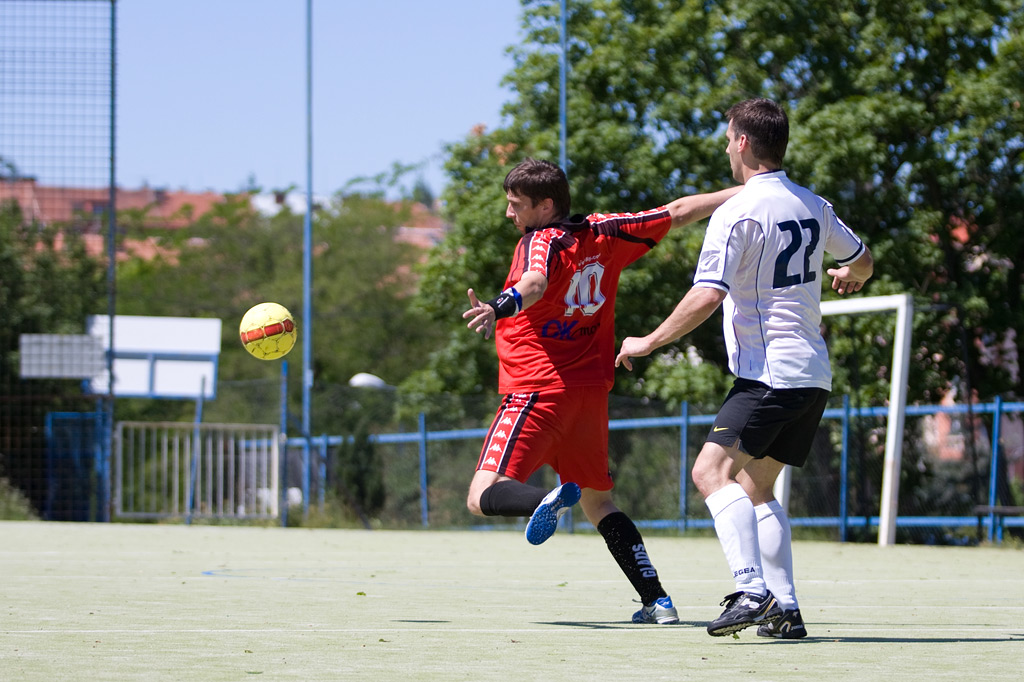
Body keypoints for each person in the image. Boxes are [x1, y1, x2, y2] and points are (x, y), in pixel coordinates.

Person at [615, 98, 874, 638]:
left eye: (728, 139)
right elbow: (863, 260)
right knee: (757, 489)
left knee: (709, 473)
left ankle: (752, 590)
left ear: (742, 142)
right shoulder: (813, 204)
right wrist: (851, 274)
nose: (726, 149)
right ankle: (787, 611)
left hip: (768, 374)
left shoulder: (736, 212)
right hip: (812, 375)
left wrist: (648, 341)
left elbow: (708, 294)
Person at [462, 158, 740, 624]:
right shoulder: (605, 231)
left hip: (537, 390)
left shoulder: (539, 240)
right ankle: (657, 601)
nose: (509, 213)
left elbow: (534, 282)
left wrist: (498, 305)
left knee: (481, 495)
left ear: (545, 206)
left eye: (516, 205)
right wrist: (751, 190)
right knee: (598, 501)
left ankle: (543, 500)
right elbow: (677, 211)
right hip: (589, 395)